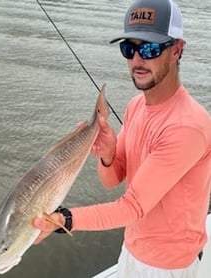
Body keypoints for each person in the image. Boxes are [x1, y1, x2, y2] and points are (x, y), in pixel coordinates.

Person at [33, 0, 211, 277]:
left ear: (177, 50)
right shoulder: (136, 106)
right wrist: (107, 155)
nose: (137, 60)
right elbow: (112, 180)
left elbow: (132, 207)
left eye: (150, 49)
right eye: (129, 48)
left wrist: (64, 218)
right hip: (133, 248)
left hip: (169, 266)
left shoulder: (187, 126)